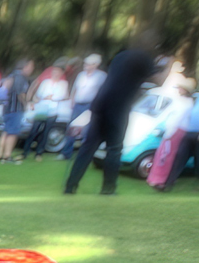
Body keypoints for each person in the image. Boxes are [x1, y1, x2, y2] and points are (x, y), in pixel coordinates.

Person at [63, 29, 160, 196]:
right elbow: (160, 81)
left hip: (100, 104)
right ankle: (108, 188)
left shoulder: (120, 56)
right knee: (114, 149)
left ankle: (70, 186)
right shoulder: (144, 58)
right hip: (119, 107)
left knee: (88, 147)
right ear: (152, 45)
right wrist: (167, 64)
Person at [62, 54, 104, 160]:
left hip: (90, 105)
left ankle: (83, 155)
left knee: (86, 130)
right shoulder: (81, 75)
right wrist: (72, 99)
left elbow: (102, 92)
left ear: (95, 65)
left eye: (88, 64)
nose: (85, 65)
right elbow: (75, 88)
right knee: (72, 128)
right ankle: (66, 153)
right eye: (85, 63)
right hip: (77, 104)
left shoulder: (101, 76)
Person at [25, 63, 68, 160]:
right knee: (34, 130)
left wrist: (51, 97)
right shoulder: (45, 82)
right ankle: (25, 152)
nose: (55, 73)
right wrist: (49, 96)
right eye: (54, 71)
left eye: (57, 72)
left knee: (46, 132)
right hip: (42, 109)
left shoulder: (63, 84)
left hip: (53, 111)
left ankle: (39, 153)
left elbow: (62, 96)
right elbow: (40, 94)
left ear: (61, 73)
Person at [0, 58, 35, 163]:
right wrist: (26, 104)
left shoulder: (10, 76)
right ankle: (7, 156)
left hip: (6, 108)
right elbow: (20, 93)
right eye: (31, 67)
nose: (32, 69)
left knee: (6, 130)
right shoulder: (20, 78)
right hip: (15, 108)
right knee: (13, 133)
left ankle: (0, 154)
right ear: (25, 67)